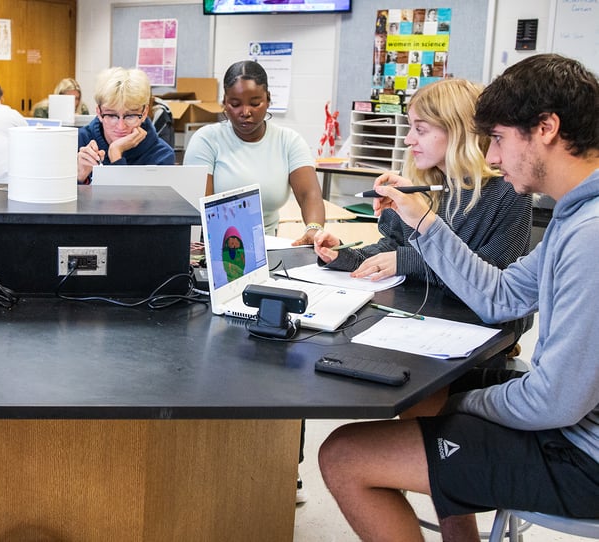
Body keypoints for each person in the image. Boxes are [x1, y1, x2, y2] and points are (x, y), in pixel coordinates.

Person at [319, 54, 599, 541]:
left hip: (582, 457)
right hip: (573, 428)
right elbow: (503, 293)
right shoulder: (576, 217)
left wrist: (462, 404)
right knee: (427, 410)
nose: (491, 157)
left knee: (344, 456)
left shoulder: (589, 234)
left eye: (499, 139)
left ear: (547, 128)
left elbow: (553, 402)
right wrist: (424, 223)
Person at [314, 78, 532, 364]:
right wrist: (346, 255)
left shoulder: (507, 193)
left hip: (473, 336)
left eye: (420, 129)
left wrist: (406, 261)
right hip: (422, 321)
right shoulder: (423, 185)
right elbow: (391, 248)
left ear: (457, 132)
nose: (408, 139)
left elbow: (490, 282)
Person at [183, 60, 325, 243]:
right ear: (224, 102)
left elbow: (309, 195)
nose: (245, 112)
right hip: (219, 243)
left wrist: (314, 230)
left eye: (255, 103)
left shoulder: (289, 141)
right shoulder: (206, 141)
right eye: (235, 104)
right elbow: (201, 207)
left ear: (268, 100)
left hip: (268, 243)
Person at [76, 67, 175, 184]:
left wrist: (116, 153)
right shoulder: (77, 142)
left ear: (144, 113)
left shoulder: (161, 154)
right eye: (112, 115)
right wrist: (79, 178)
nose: (121, 126)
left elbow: (124, 202)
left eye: (130, 116)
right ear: (99, 112)